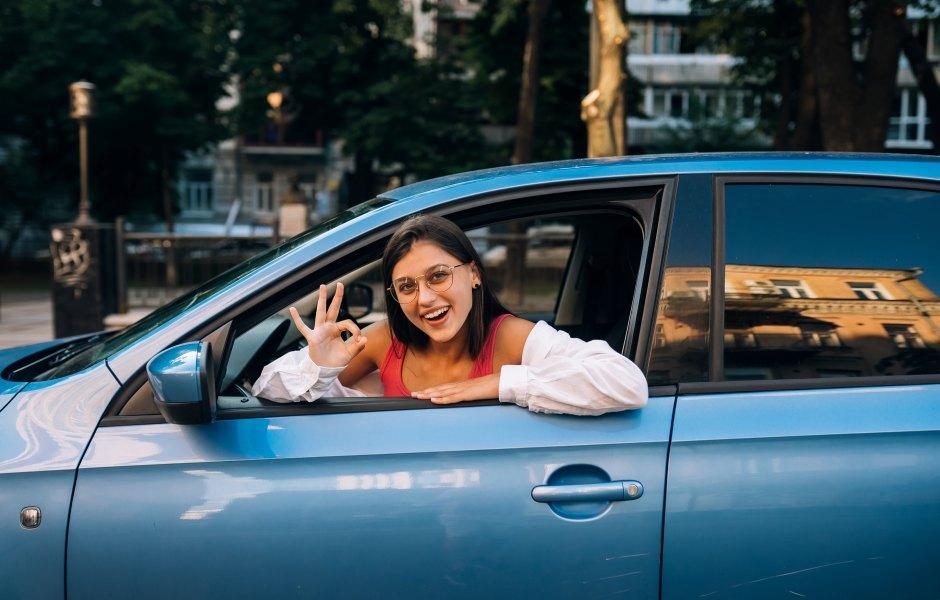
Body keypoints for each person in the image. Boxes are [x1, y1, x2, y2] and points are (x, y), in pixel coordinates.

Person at [252, 215, 647, 415]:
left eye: (438, 276)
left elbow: (627, 384)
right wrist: (318, 365)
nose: (424, 299)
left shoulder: (510, 337)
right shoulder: (386, 339)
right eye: (406, 287)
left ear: (473, 273)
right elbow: (264, 391)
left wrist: (497, 384)